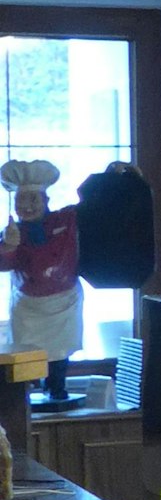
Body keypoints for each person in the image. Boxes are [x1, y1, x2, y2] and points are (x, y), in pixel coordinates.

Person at [0, 160, 82, 400]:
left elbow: (95, 207)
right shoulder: (12, 232)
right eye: (21, 201)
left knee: (60, 350)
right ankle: (23, 395)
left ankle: (57, 387)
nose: (27, 206)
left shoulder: (66, 220)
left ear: (46, 200)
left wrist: (112, 177)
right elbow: (3, 264)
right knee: (26, 352)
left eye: (33, 199)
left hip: (64, 301)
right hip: (28, 306)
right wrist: (8, 246)